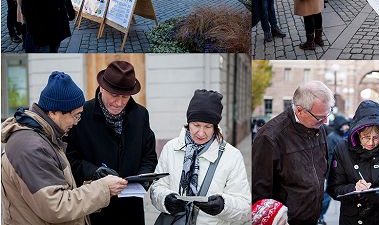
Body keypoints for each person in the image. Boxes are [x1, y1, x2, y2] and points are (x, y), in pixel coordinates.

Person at [1, 71, 128, 225]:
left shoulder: (43, 137)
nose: (76, 122)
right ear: (54, 112)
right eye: (75, 115)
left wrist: (95, 185)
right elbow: (56, 207)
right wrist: (103, 188)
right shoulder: (32, 147)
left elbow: (59, 192)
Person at [66, 61, 158, 225]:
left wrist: (144, 178)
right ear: (102, 88)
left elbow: (149, 155)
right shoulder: (82, 116)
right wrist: (94, 172)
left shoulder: (141, 115)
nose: (119, 103)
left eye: (125, 97)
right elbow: (70, 159)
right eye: (114, 95)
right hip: (95, 209)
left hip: (131, 209)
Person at [150, 89, 251, 224]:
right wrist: (165, 200)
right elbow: (156, 188)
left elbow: (244, 207)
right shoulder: (171, 148)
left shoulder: (232, 156)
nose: (201, 133)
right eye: (196, 125)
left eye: (208, 127)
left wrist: (223, 205)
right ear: (188, 123)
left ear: (215, 126)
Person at [253, 81, 333, 225]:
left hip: (313, 217)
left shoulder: (318, 127)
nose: (326, 121)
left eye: (328, 114)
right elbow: (260, 193)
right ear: (300, 110)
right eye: (320, 117)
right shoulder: (270, 137)